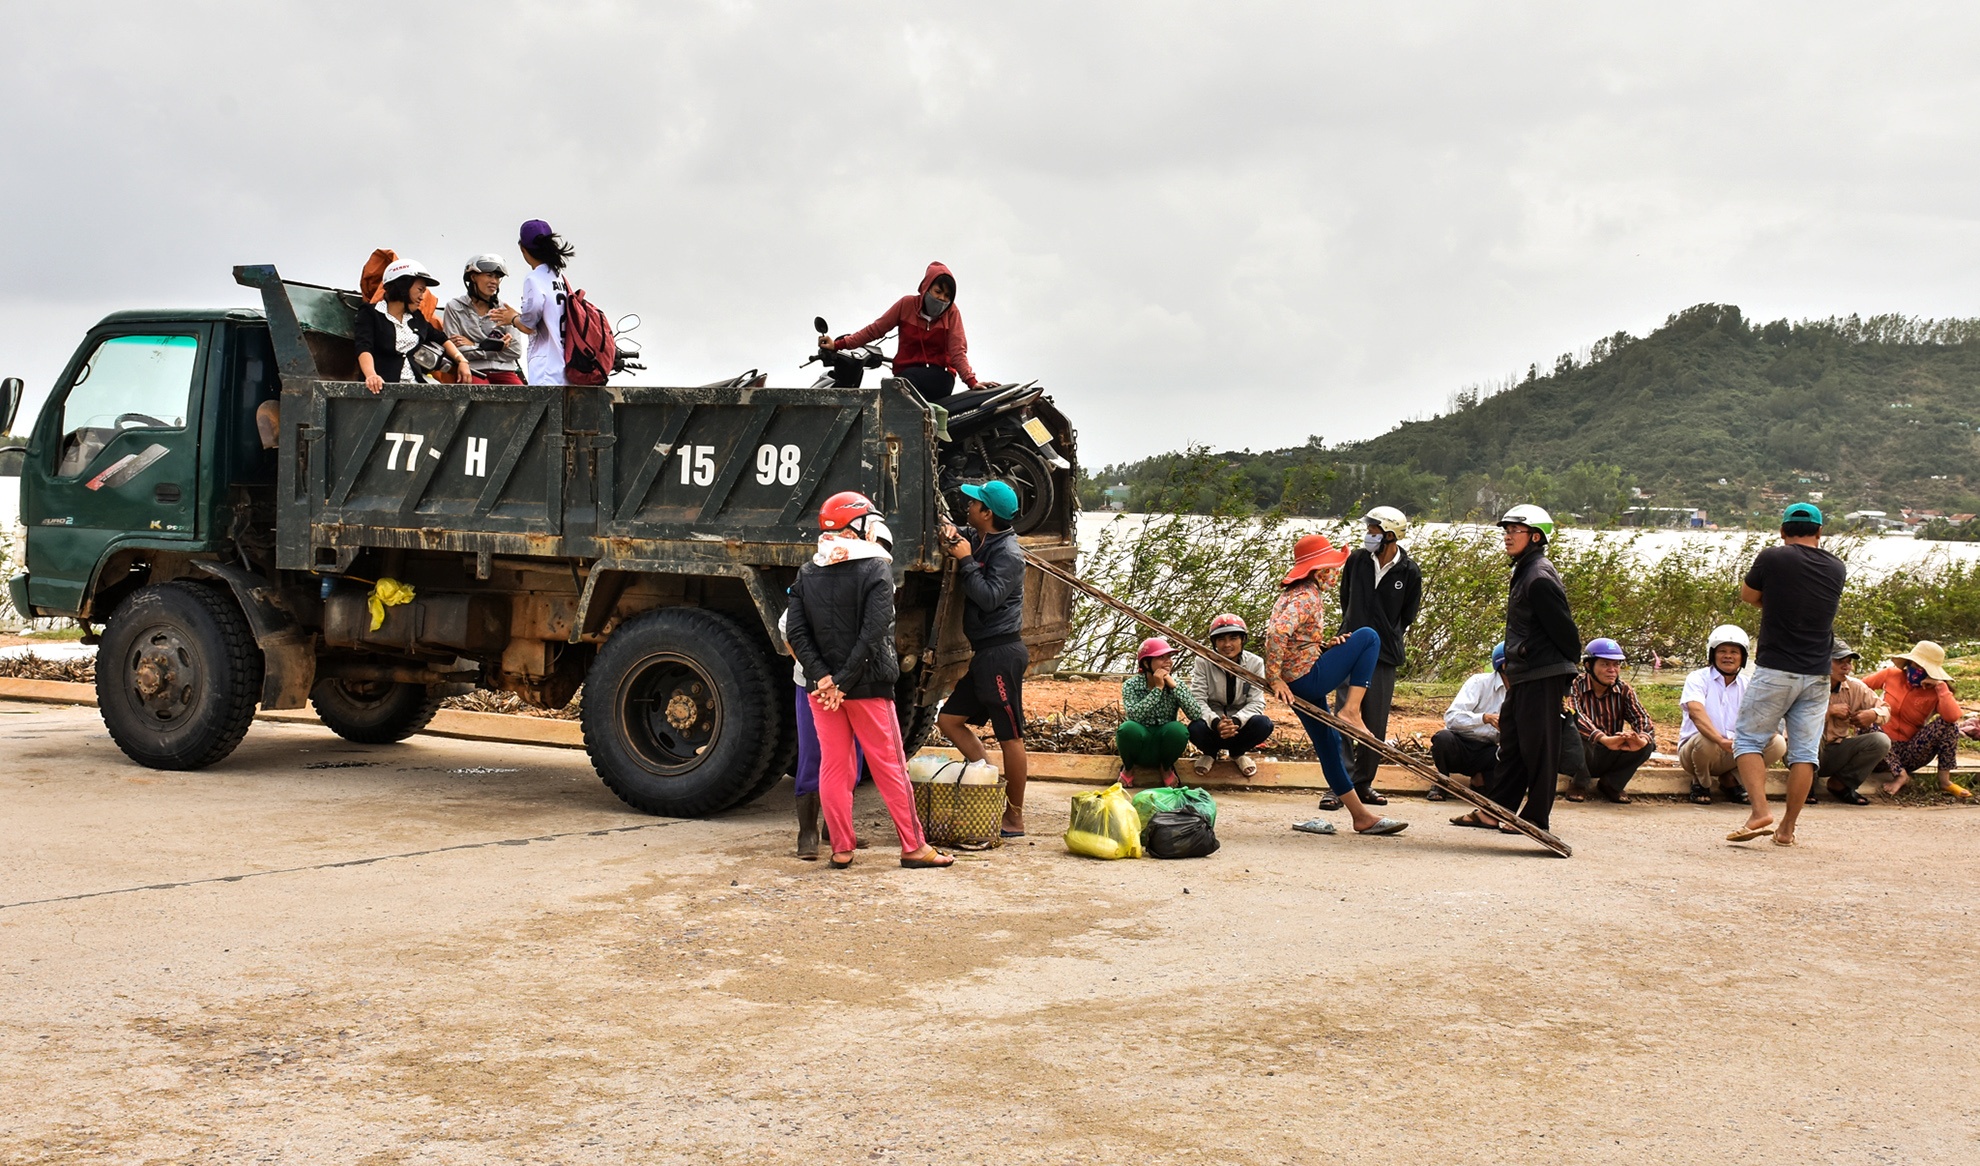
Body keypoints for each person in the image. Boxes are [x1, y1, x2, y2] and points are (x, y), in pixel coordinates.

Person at [784, 491, 952, 870]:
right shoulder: (875, 568)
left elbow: (796, 631)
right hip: (867, 687)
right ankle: (914, 847)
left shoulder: (808, 571)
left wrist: (824, 679)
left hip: (822, 692)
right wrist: (843, 681)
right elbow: (874, 631)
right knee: (889, 765)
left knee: (833, 767)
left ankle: (841, 848)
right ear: (854, 526)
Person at [1264, 533, 1408, 837]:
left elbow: (1296, 639)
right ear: (1318, 572)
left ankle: (1361, 817)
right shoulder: (1308, 596)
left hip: (1300, 677)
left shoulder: (1296, 593)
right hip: (1305, 679)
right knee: (1369, 637)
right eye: (1330, 568)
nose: (1335, 573)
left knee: (1329, 745)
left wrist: (1325, 646)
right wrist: (1273, 676)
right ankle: (1352, 710)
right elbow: (1277, 633)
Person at [1455, 505, 1580, 835]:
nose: (1508, 536)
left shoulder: (1538, 577)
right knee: (1511, 743)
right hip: (1525, 673)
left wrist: (1562, 673)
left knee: (1539, 749)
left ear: (1536, 536)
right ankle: (1496, 811)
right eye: (1506, 530)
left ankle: (1536, 818)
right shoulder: (1525, 570)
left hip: (1541, 673)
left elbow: (1567, 633)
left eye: (1516, 530)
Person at [1727, 502, 1847, 846]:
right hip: (1817, 673)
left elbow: (1749, 595)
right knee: (1805, 753)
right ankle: (1786, 830)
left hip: (1777, 667)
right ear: (1819, 532)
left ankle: (1760, 812)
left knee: (1749, 740)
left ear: (1783, 531)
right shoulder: (1836, 568)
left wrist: (1775, 602)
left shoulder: (1773, 557)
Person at [935, 480, 1030, 837]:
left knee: (1011, 736)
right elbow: (961, 533)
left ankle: (1015, 816)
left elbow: (989, 597)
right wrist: (951, 531)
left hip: (1001, 653)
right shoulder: (983, 536)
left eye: (975, 504)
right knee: (949, 720)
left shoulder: (1008, 554)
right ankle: (991, 786)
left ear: (988, 514)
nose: (969, 506)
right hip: (985, 654)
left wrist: (965, 561)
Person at [1331, 505, 1423, 809]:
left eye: (1374, 531)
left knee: (1375, 720)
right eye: (1369, 530)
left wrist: (1386, 633)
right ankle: (1339, 784)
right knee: (1343, 713)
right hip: (1349, 646)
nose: (1368, 536)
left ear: (1391, 534)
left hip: (1384, 653)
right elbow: (1346, 599)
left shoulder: (1409, 571)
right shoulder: (1357, 560)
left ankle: (1363, 783)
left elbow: (1407, 615)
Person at [820, 262, 989, 402]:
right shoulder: (906, 305)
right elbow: (875, 329)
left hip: (938, 377)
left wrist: (971, 381)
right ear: (926, 287)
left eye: (947, 296)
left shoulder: (952, 314)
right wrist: (838, 345)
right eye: (938, 292)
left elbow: (957, 351)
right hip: (905, 377)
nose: (942, 299)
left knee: (903, 383)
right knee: (892, 390)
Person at [1677, 625, 1785, 805]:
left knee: (1777, 743)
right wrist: (1720, 740)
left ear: (1742, 657)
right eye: (1722, 651)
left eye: (1734, 652)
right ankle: (1701, 782)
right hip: (1697, 751)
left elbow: (1763, 715)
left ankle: (1731, 778)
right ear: (1712, 654)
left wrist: (1767, 730)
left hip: (1734, 750)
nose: (1728, 656)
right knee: (1706, 740)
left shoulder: (1748, 684)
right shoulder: (1697, 678)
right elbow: (1696, 712)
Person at [1864, 640, 1970, 800]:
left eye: (1922, 668)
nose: (1916, 670)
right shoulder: (1890, 675)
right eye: (1914, 665)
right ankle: (1900, 775)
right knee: (1869, 719)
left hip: (1910, 752)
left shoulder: (1935, 691)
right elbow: (1859, 687)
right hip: (1879, 751)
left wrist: (1941, 687)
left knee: (1950, 726)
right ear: (1908, 663)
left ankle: (1945, 781)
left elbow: (1952, 717)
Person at [354, 259, 474, 392]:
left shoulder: (416, 317)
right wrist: (371, 375)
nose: (422, 297)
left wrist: (462, 361)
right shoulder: (371, 313)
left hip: (415, 387)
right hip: (382, 387)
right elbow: (364, 346)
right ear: (403, 286)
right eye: (420, 290)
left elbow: (440, 337)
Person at [1566, 638, 1657, 804]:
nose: (1612, 670)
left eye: (1616, 665)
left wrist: (1641, 739)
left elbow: (1642, 718)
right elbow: (1575, 715)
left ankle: (1612, 784)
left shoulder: (1624, 689)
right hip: (1584, 752)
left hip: (1611, 751)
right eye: (1605, 664)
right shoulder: (1574, 684)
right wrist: (1602, 738)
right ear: (1588, 666)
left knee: (1648, 743)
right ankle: (1579, 783)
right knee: (1575, 735)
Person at [1187, 613, 1274, 777]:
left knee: (1264, 724)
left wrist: (1235, 721)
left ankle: (1237, 753)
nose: (1227, 644)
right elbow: (1197, 699)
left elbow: (1257, 702)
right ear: (1214, 643)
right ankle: (1210, 753)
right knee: (1194, 728)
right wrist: (1215, 722)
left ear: (1242, 640)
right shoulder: (1203, 662)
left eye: (1233, 638)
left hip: (1239, 725)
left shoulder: (1255, 663)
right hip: (1213, 724)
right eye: (1221, 639)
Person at [1117, 638, 1206, 786]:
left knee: (1178, 730)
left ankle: (1165, 767)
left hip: (1163, 743)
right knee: (1127, 729)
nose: (1168, 662)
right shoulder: (1131, 685)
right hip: (1140, 742)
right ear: (1146, 663)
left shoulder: (1175, 683)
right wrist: (1157, 689)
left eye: (1169, 657)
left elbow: (1195, 714)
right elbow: (1134, 715)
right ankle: (1129, 768)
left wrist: (1176, 688)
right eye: (1161, 658)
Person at [1428, 642, 1506, 801]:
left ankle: (1480, 779)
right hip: (1460, 745)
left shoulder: (1521, 692)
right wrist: (1485, 718)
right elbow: (1452, 718)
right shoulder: (1479, 682)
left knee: (1510, 756)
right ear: (1504, 665)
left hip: (1487, 750)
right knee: (1442, 739)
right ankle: (1442, 782)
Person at [1817, 640, 1890, 805]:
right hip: (1801, 752)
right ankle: (1806, 785)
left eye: (1848, 662)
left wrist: (1872, 714)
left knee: (1880, 741)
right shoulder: (1807, 684)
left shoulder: (1855, 687)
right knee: (1812, 733)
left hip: (1834, 751)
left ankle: (1841, 784)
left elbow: (1885, 709)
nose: (1846, 667)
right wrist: (1829, 711)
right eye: (1839, 661)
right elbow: (1797, 723)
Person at [442, 254, 528, 385]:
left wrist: (474, 346)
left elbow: (515, 351)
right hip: (473, 370)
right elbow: (455, 350)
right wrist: (496, 347)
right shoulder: (454, 307)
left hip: (505, 371)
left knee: (526, 401)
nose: (494, 281)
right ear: (473, 277)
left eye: (497, 277)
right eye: (489, 275)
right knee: (480, 399)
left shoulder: (505, 309)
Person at [515, 219, 574, 388]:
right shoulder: (559, 277)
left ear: (522, 248)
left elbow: (528, 324)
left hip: (546, 368)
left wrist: (511, 318)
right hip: (566, 367)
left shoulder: (534, 278)